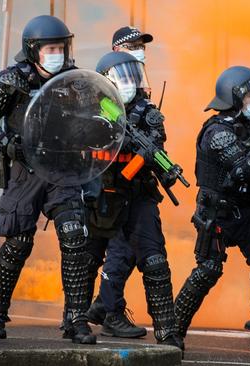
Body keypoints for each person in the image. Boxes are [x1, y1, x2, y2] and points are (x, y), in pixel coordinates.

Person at [173, 65, 250, 354]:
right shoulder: (217, 132)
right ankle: (173, 329)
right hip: (219, 212)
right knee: (208, 269)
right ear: (235, 98)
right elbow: (241, 168)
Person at [0, 15, 95, 344]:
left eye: (61, 47)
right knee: (18, 243)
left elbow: (106, 111)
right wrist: (6, 143)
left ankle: (76, 319)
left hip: (63, 170)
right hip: (26, 169)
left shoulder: (75, 81)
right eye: (50, 48)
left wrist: (106, 120)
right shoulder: (11, 81)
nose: (56, 53)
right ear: (33, 50)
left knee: (75, 236)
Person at [82, 51, 184, 349]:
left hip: (138, 194)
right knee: (87, 258)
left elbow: (154, 148)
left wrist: (153, 161)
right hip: (102, 195)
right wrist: (118, 139)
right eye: (122, 76)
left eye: (132, 76)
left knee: (154, 259)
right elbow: (84, 140)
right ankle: (77, 318)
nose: (129, 82)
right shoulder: (94, 108)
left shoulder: (148, 113)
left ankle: (167, 329)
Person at [85, 25, 156, 338]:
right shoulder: (103, 95)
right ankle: (99, 311)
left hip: (132, 187)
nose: (140, 50)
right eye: (133, 45)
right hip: (107, 187)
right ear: (116, 49)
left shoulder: (139, 89)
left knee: (123, 249)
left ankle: (102, 305)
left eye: (142, 45)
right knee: (105, 250)